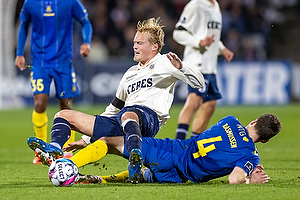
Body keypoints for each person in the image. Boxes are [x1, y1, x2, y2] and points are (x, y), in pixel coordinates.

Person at [27, 18, 204, 184]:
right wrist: (86, 139)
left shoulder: (165, 63)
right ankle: (55, 149)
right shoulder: (130, 73)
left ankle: (136, 155)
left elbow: (200, 82)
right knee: (64, 115)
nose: (134, 46)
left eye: (139, 43)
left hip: (149, 119)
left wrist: (182, 67)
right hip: (123, 119)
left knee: (128, 114)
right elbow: (113, 108)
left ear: (154, 47)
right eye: (134, 42)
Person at [73, 113, 281, 184]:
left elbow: (223, 143)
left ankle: (69, 164)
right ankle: (103, 180)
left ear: (254, 121)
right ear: (265, 141)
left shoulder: (230, 121)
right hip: (180, 176)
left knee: (111, 142)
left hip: (174, 151)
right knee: (145, 175)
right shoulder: (250, 156)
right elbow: (234, 179)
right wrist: (248, 178)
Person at [15, 0, 93, 164]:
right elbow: (23, 25)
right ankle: (41, 151)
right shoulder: (31, 3)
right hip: (39, 62)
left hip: (64, 63)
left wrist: (86, 42)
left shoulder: (70, 2)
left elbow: (85, 22)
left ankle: (65, 150)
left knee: (67, 106)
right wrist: (20, 53)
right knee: (39, 104)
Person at [173, 0, 234, 140]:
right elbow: (178, 32)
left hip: (210, 66)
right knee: (195, 100)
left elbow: (211, 36)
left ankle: (193, 144)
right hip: (197, 63)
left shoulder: (215, 5)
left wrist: (222, 48)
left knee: (210, 105)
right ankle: (178, 143)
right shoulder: (196, 5)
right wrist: (198, 42)